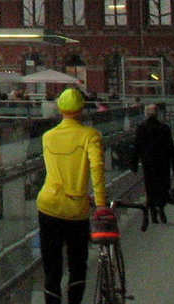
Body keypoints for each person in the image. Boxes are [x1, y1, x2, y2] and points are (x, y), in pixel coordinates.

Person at [37, 87, 109, 304]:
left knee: (52, 264)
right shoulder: (91, 136)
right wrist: (101, 202)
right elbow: (96, 168)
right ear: (81, 109)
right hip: (76, 208)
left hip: (48, 204)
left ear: (60, 109)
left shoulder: (47, 137)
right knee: (77, 264)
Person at [132, 102, 174, 223]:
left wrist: (134, 163)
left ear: (146, 114)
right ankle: (161, 207)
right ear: (157, 114)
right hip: (163, 161)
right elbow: (170, 146)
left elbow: (137, 146)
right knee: (162, 185)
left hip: (148, 162)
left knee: (150, 186)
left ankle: (153, 213)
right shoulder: (164, 128)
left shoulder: (141, 128)